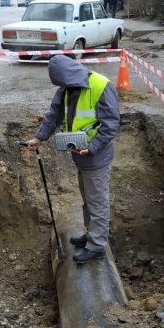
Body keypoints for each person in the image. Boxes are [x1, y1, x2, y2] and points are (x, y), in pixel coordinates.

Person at [24, 56, 120, 265]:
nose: (62, 88)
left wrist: (92, 147)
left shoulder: (101, 86)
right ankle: (91, 234)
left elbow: (111, 125)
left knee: (97, 203)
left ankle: (97, 247)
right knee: (88, 200)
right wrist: (39, 138)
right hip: (80, 155)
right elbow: (54, 115)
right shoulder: (67, 87)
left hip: (96, 157)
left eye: (64, 84)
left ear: (71, 75)